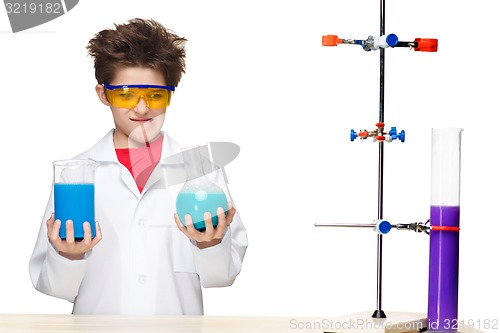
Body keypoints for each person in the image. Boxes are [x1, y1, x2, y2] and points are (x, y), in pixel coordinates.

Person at [29, 18, 247, 315]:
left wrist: (210, 246)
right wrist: (69, 257)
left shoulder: (202, 168)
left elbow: (222, 277)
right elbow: (53, 288)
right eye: (127, 94)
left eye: (155, 95)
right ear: (103, 94)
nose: (142, 108)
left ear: (170, 95)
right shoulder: (76, 173)